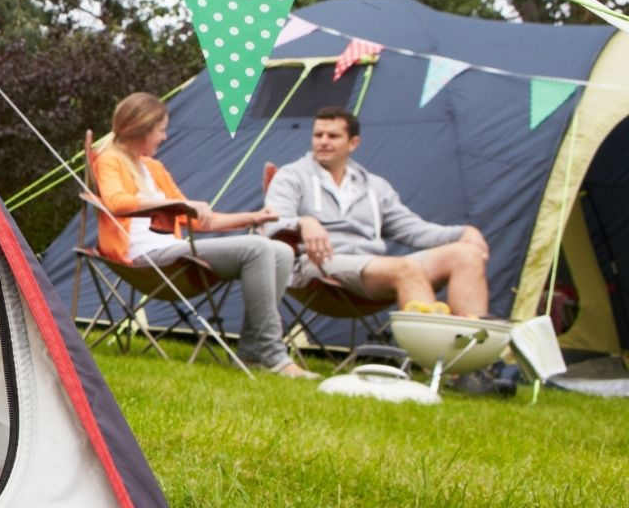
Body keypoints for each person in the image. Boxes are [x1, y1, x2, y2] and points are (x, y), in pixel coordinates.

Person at [91, 93, 310, 379]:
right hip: (141, 257)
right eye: (161, 130)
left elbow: (196, 219)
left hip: (172, 250)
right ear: (142, 128)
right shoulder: (109, 159)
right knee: (257, 248)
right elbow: (116, 202)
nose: (164, 137)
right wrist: (174, 205)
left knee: (280, 250)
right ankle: (273, 353)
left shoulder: (153, 168)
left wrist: (254, 217)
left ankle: (252, 351)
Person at [265, 106, 490, 315]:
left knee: (466, 255)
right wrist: (304, 222)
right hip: (318, 267)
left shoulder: (375, 186)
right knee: (407, 269)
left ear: (353, 143)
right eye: (318, 135)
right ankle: (435, 355)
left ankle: (472, 349)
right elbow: (272, 222)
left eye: (332, 136)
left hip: (372, 268)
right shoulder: (291, 175)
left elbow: (412, 229)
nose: (323, 142)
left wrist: (463, 233)